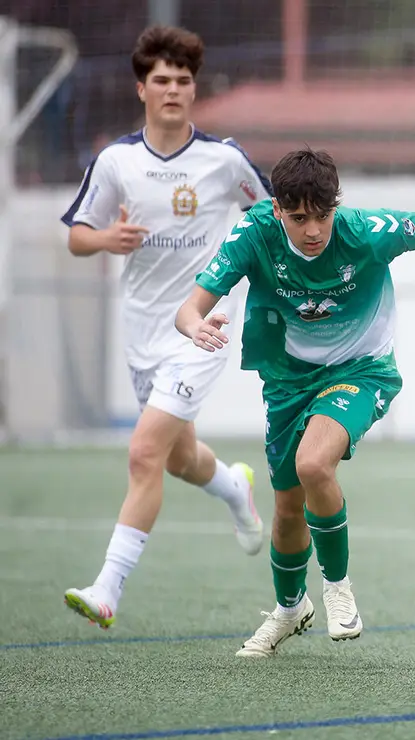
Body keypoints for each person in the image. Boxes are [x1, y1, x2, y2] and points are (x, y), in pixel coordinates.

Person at [176, 147, 415, 657]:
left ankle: (337, 586)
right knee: (285, 511)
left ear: (336, 206)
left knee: (314, 465)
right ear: (278, 209)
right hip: (287, 380)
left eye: (322, 215)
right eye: (299, 217)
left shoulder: (363, 231)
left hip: (361, 369)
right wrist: (196, 324)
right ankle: (289, 610)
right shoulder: (254, 232)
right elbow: (189, 309)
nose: (313, 230)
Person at [60, 25, 272, 630]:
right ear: (141, 88)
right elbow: (78, 236)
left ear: (193, 89)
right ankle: (233, 486)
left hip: (202, 328)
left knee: (143, 452)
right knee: (179, 459)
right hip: (142, 332)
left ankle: (108, 590)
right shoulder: (116, 161)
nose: (174, 89)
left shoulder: (225, 159)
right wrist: (108, 238)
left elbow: (269, 214)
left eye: (183, 80)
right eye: (162, 80)